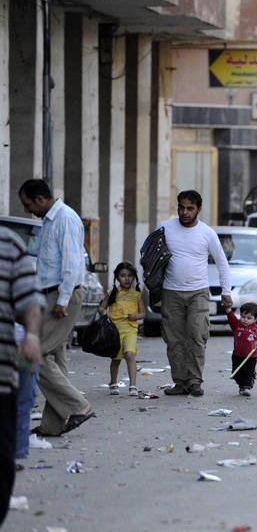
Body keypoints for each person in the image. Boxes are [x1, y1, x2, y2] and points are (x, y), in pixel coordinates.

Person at [18, 179, 95, 436]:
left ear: (40, 199)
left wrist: (62, 300)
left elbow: (72, 263)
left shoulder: (65, 218)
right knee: (55, 359)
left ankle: (79, 406)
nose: (28, 210)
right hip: (49, 296)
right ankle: (54, 425)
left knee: (34, 354)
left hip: (62, 296)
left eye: (28, 204)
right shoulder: (50, 221)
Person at [158, 190, 232, 397]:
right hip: (170, 292)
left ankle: (195, 381)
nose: (185, 212)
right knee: (174, 340)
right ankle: (180, 382)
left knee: (197, 336)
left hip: (198, 292)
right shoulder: (164, 228)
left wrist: (226, 291)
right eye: (181, 207)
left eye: (190, 208)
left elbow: (222, 263)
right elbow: (149, 257)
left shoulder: (207, 233)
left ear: (199, 209)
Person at [1, 227, 43, 526]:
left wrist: (31, 335)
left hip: (2, 374)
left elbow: (30, 299)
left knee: (2, 461)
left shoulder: (8, 244)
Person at [99, 262, 145, 397]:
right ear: (117, 278)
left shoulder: (137, 295)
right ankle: (113, 382)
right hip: (115, 331)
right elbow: (102, 307)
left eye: (130, 276)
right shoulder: (112, 293)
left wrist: (135, 316)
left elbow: (143, 314)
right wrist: (104, 313)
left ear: (134, 277)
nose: (127, 279)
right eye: (123, 276)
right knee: (116, 358)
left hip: (131, 329)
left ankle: (133, 385)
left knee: (130, 354)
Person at [228, 302, 257, 396]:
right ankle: (241, 385)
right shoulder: (237, 325)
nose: (245, 320)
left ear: (255, 319)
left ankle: (247, 387)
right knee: (237, 373)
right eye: (243, 317)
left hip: (251, 356)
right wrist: (228, 310)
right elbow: (231, 318)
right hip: (237, 355)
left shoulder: (256, 329)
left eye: (249, 318)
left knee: (248, 372)